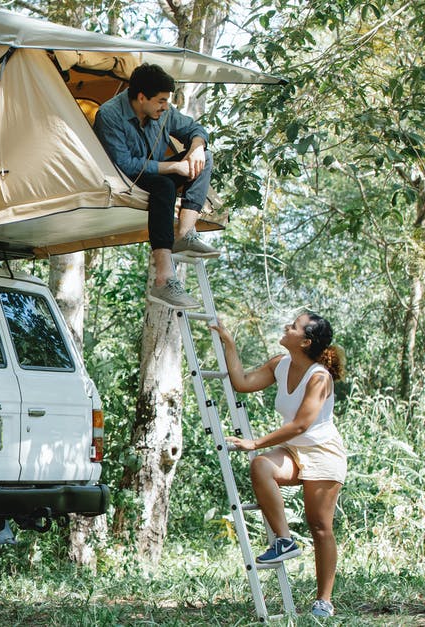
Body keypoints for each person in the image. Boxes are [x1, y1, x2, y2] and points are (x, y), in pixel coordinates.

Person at [210, 312, 347, 618]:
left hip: (323, 453)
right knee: (261, 467)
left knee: (320, 526)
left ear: (305, 341)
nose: (287, 327)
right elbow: (242, 382)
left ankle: (323, 601)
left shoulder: (319, 377)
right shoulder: (279, 364)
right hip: (294, 451)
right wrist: (229, 344)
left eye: (294, 326)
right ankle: (285, 541)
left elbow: (301, 425)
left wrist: (256, 442)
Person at [94, 63, 219, 310]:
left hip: (155, 172)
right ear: (142, 97)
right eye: (161, 101)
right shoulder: (109, 115)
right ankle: (163, 279)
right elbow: (125, 165)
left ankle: (184, 234)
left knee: (206, 157)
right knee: (164, 184)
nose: (165, 106)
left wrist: (196, 148)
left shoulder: (163, 111)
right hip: (123, 179)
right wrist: (174, 168)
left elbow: (195, 129)